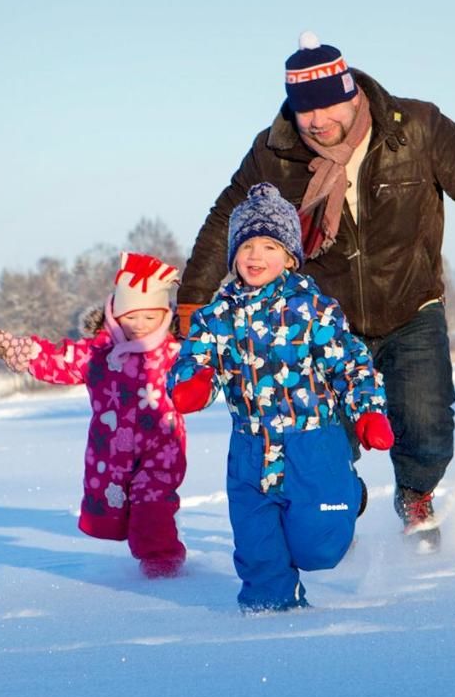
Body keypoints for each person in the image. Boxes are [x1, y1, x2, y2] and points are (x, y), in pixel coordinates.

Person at [177, 31, 455, 552]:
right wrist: (195, 293)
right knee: (326, 442)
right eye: (305, 112)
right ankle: (340, 497)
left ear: (352, 92)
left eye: (327, 107)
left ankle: (415, 493)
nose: (317, 122)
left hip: (411, 305)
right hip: (324, 322)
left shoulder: (417, 129)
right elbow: (227, 217)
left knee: (428, 427)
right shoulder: (274, 153)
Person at [168, 182, 394, 612]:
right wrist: (193, 382)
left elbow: (351, 365)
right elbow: (195, 360)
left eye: (270, 245)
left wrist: (367, 413)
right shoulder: (216, 318)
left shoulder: (314, 309)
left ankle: (346, 490)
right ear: (233, 253)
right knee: (258, 546)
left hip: (312, 446)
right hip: (250, 450)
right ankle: (270, 613)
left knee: (318, 548)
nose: (256, 256)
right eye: (247, 245)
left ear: (290, 256)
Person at [0, 252, 189, 578]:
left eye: (149, 318)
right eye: (130, 317)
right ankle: (147, 549)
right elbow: (59, 360)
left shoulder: (176, 352)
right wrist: (18, 350)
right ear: (114, 314)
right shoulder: (99, 353)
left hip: (161, 447)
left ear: (164, 315)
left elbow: (206, 373)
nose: (139, 326)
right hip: (111, 450)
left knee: (153, 501)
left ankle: (162, 564)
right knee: (113, 508)